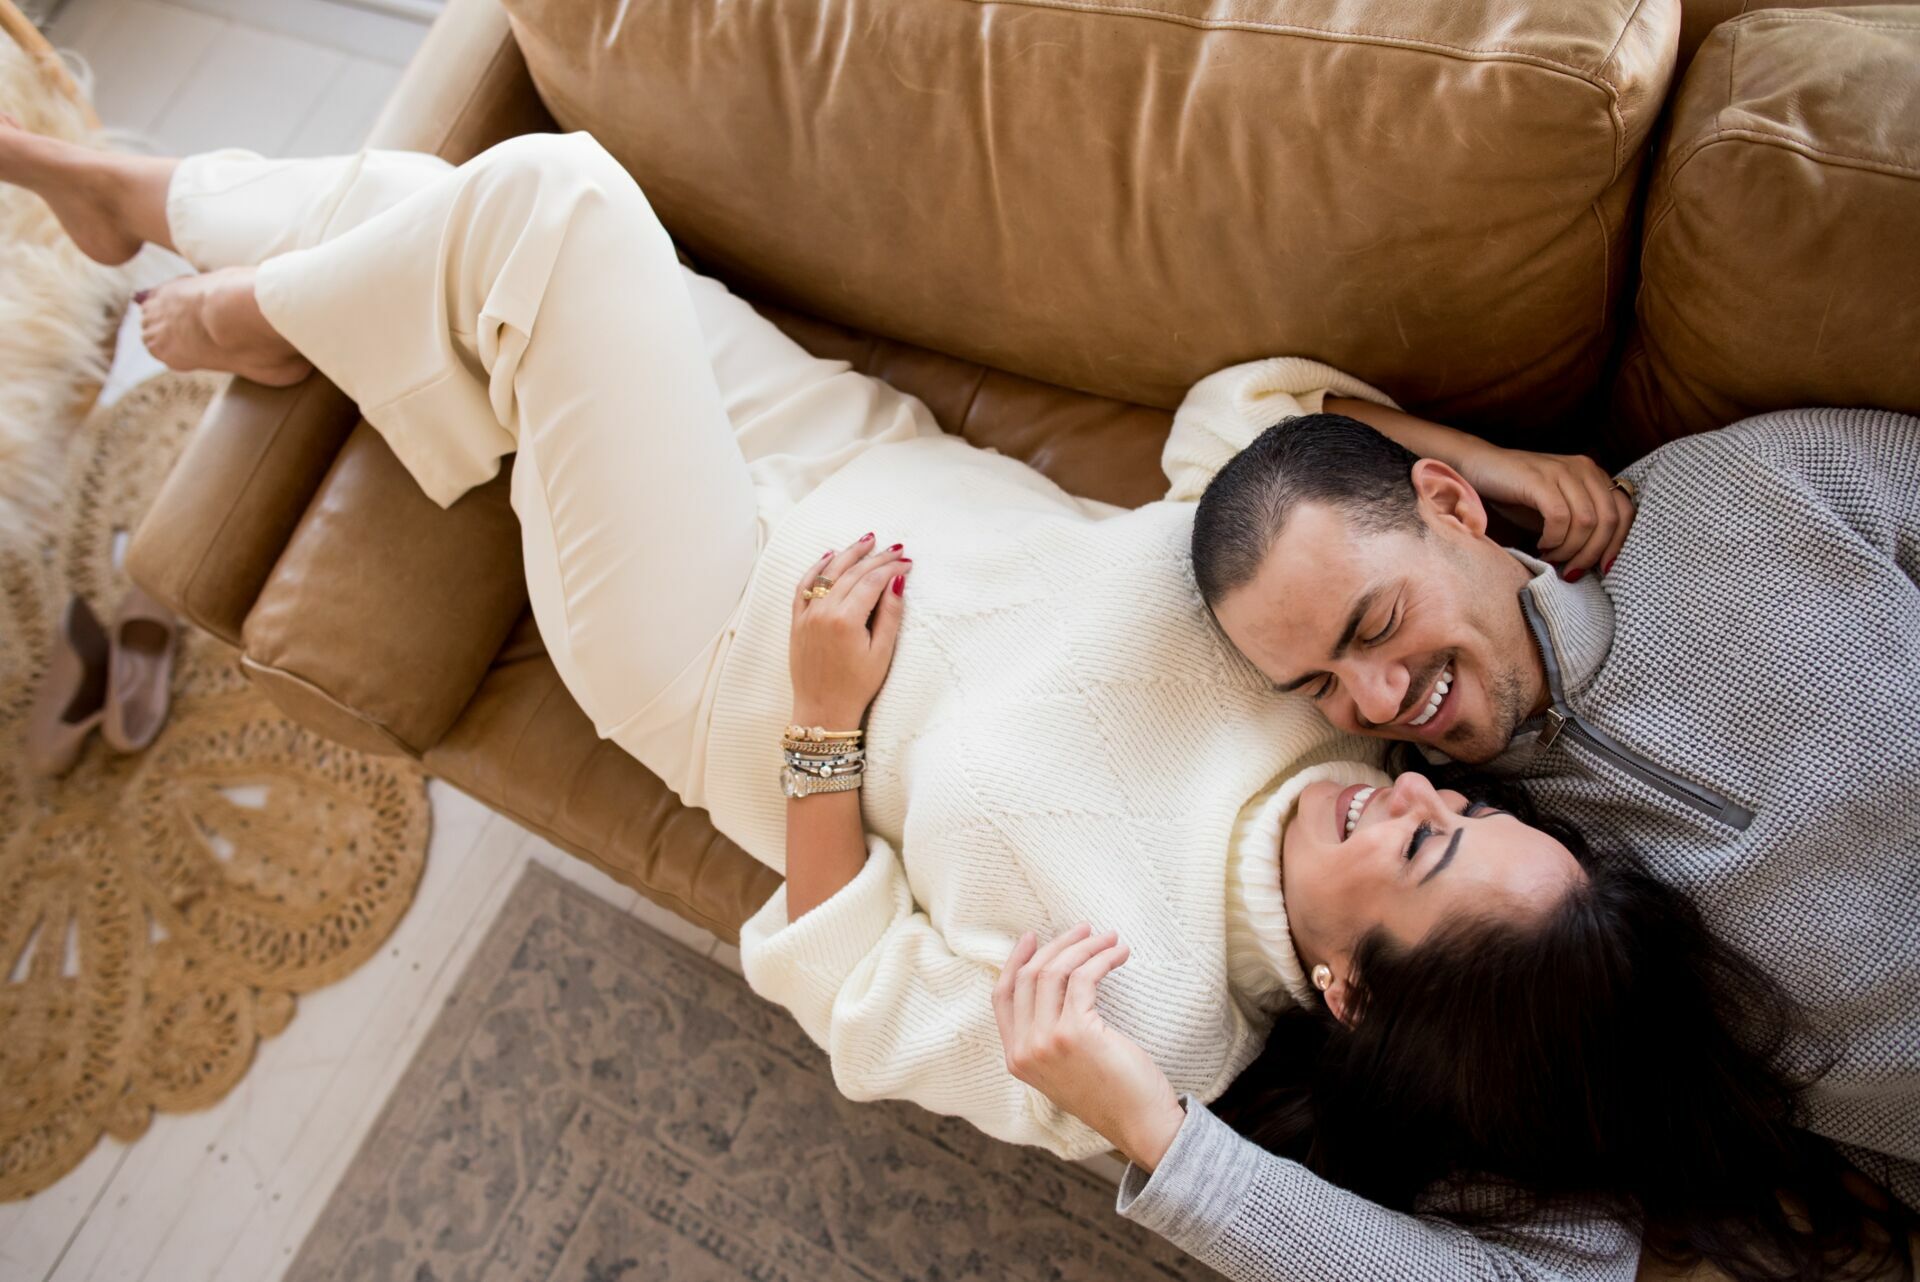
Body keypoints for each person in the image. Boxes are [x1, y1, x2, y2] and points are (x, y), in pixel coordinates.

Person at [0, 123, 1744, 1275]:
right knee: (432, 210)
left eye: (1434, 857)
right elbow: (1243, 428)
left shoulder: (1151, 1038)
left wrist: (825, 715)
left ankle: (244, 309)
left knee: (555, 205)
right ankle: (125, 185)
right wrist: (1479, 468)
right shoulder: (1344, 699)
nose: (1435, 794)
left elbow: (851, 985)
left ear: (1357, 990)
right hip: (837, 445)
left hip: (712, 655)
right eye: (1478, 814)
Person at [993, 390, 1920, 1277]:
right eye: (1319, 686)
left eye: (1381, 623)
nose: (1378, 702)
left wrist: (1501, 466)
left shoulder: (1761, 485)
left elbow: (1247, 416)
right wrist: (1167, 1144)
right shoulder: (1481, 903)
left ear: (1449, 505)